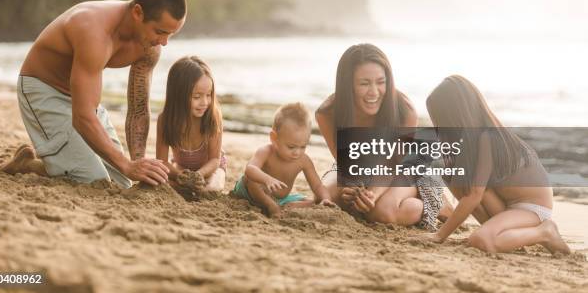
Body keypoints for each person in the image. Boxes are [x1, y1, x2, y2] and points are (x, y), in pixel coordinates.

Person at [0, 0, 187, 188]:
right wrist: (126, 165)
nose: (164, 42)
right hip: (42, 89)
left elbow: (138, 110)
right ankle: (30, 166)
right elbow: (82, 117)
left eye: (171, 34)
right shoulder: (93, 30)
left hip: (81, 97)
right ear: (137, 13)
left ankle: (33, 162)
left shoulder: (149, 46)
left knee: (121, 183)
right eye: (161, 32)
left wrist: (137, 164)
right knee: (94, 180)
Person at [416, 75, 570, 254]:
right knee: (453, 175)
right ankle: (495, 231)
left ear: (457, 115)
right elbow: (473, 191)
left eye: (441, 120)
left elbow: (474, 195)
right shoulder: (472, 141)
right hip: (508, 205)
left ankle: (544, 232)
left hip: (532, 209)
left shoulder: (489, 136)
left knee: (480, 240)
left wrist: (439, 236)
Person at [316, 43, 448, 228]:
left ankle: (432, 199)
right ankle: (407, 202)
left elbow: (392, 165)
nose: (374, 92)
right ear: (348, 85)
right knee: (328, 197)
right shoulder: (327, 113)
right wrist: (353, 189)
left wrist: (372, 195)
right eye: (364, 83)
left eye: (380, 82)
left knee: (382, 212)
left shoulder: (405, 110)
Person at [233, 102, 335, 217]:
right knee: (251, 179)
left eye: (303, 146)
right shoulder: (266, 152)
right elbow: (250, 169)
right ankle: (270, 206)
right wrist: (267, 179)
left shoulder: (304, 160)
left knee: (313, 200)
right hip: (251, 194)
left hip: (281, 199)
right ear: (274, 138)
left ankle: (280, 205)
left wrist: (326, 198)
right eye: (291, 147)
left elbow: (317, 186)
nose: (297, 152)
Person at [156, 56, 226, 192]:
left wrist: (199, 175)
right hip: (182, 168)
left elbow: (214, 160)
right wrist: (180, 175)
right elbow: (162, 162)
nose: (204, 102)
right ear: (178, 95)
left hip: (210, 168)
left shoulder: (213, 116)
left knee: (212, 188)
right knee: (163, 184)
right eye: (197, 97)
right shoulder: (165, 119)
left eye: (208, 95)